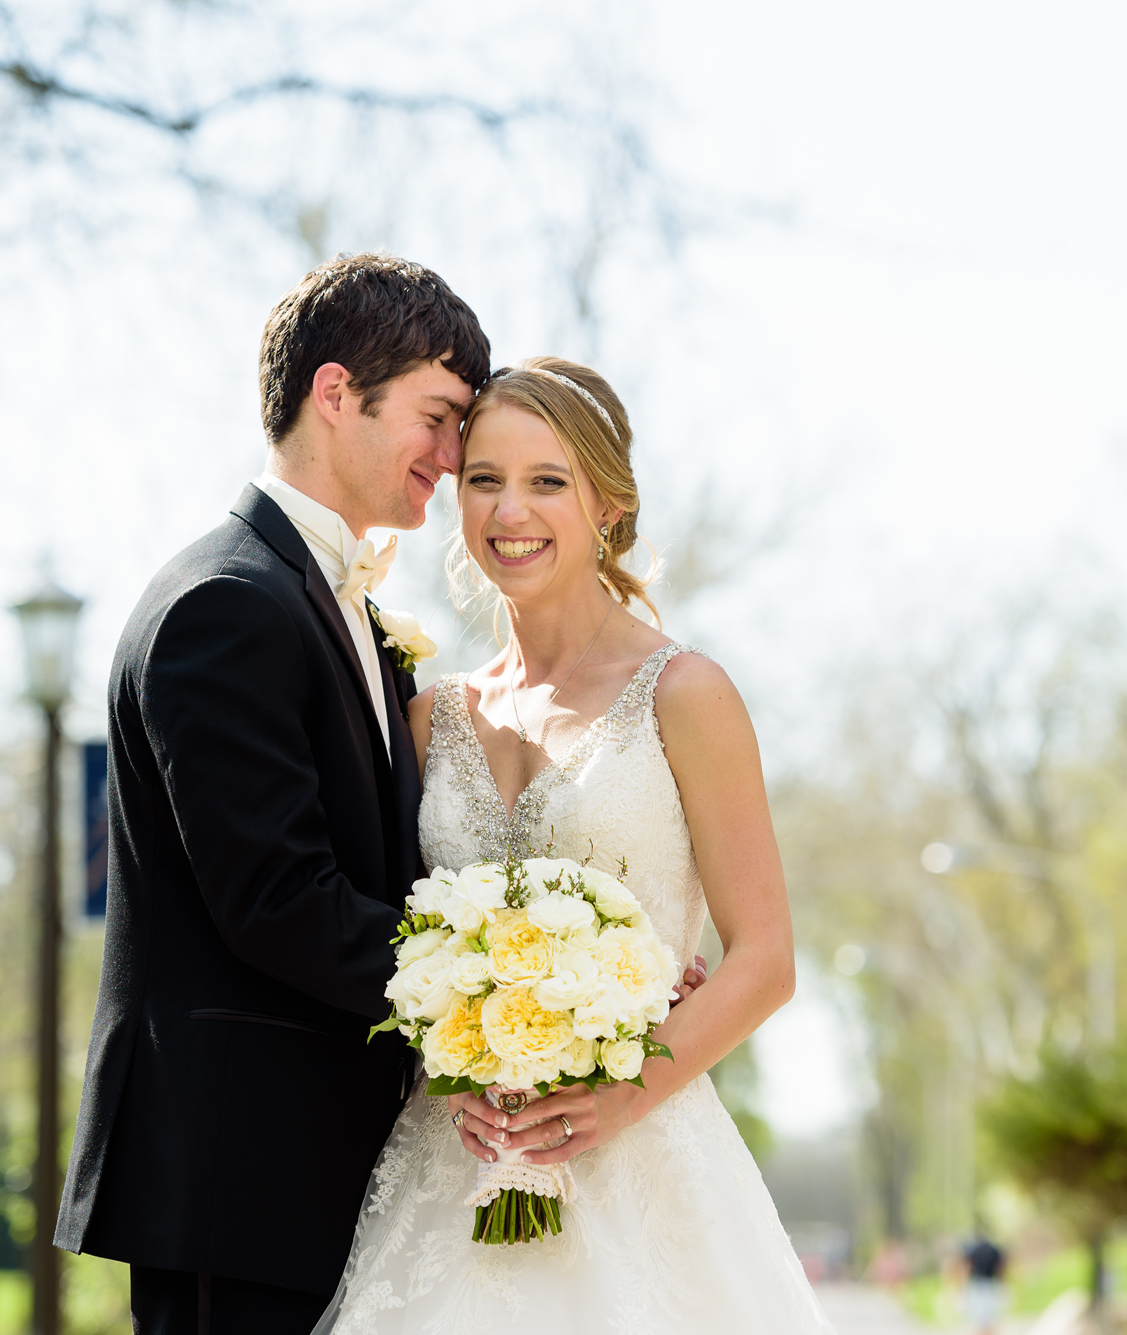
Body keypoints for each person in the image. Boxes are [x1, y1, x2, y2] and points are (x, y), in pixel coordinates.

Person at [53, 254, 707, 1334]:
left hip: (338, 1179)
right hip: (235, 1172)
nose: (455, 464)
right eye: (439, 420)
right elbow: (278, 901)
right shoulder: (225, 606)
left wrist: (617, 980)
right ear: (333, 393)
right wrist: (537, 995)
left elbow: (393, 869)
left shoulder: (337, 609)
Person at [315, 358, 834, 1333]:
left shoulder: (685, 695)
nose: (511, 511)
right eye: (484, 480)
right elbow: (407, 943)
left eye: (546, 481)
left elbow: (763, 961)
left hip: (640, 1157)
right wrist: (447, 1056)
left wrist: (613, 1100)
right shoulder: (432, 719)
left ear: (608, 505)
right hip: (455, 1158)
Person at [960, 1231, 1009, 1335]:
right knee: (990, 1319)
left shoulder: (973, 1250)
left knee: (979, 1320)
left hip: (977, 1284)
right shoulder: (994, 1250)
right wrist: (1002, 1284)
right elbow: (1000, 1268)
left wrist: (963, 1283)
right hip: (990, 1283)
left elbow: (968, 1267)